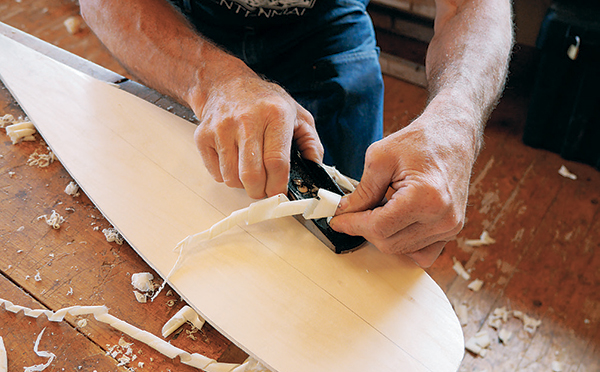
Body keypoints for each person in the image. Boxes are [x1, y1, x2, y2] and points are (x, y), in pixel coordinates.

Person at [79, 0, 513, 268]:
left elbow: (469, 6)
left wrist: (456, 123)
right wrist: (210, 80)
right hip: (175, 20)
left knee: (356, 239)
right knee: (166, 219)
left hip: (324, 26)